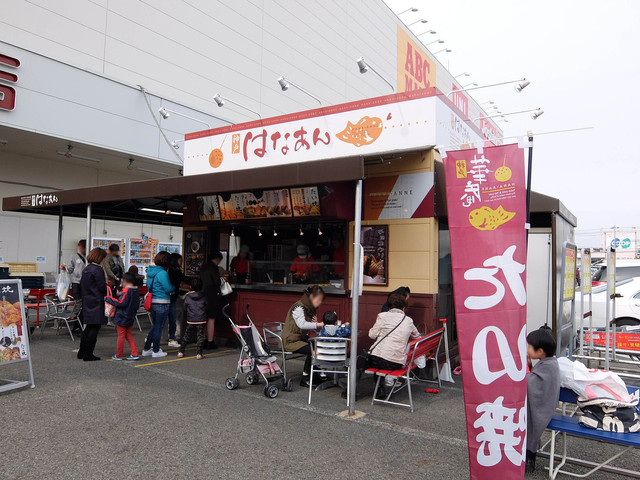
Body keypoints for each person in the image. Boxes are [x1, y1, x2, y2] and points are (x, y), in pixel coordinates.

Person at [368, 293, 422, 394]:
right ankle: (380, 388)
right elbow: (417, 337)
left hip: (377, 360)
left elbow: (372, 335)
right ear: (404, 308)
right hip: (395, 363)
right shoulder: (408, 321)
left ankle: (352, 390)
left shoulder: (382, 316)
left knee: (361, 361)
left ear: (389, 306)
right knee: (381, 358)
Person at [525, 326, 560, 474]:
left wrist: (526, 370)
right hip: (544, 404)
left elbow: (530, 383)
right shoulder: (549, 362)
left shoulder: (548, 366)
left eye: (529, 347)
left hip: (543, 408)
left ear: (540, 351)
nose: (527, 349)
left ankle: (527, 456)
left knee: (526, 418)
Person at [283, 285, 325, 387]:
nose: (320, 302)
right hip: (290, 340)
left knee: (318, 345)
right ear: (311, 297)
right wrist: (318, 324)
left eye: (321, 300)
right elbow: (301, 324)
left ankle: (316, 374)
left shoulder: (309, 308)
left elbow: (311, 328)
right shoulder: (299, 307)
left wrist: (316, 324)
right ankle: (305, 378)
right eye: (318, 299)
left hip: (299, 339)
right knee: (312, 350)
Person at [142, 251, 175, 358]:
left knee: (155, 326)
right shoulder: (163, 273)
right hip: (162, 302)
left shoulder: (151, 271)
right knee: (158, 327)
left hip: (153, 302)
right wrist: (173, 288)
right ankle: (156, 350)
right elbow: (168, 288)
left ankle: (147, 348)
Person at [77, 247, 108, 362]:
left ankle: (82, 351)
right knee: (95, 327)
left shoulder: (87, 269)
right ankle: (88, 353)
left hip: (87, 300)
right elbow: (102, 287)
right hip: (96, 301)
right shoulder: (98, 270)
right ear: (100, 258)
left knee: (88, 327)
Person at [105, 272, 140, 361]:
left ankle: (119, 355)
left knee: (121, 335)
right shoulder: (136, 290)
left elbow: (121, 303)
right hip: (131, 315)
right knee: (128, 334)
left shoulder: (126, 290)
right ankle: (134, 353)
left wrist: (108, 298)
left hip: (122, 316)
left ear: (125, 281)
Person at [178, 278, 207, 360]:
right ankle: (199, 353)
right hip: (201, 318)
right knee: (200, 336)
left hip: (191, 319)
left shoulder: (187, 296)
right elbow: (207, 306)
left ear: (190, 287)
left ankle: (181, 351)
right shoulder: (204, 296)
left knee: (186, 335)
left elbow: (184, 307)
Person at [60, 239, 86, 330]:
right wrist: (64, 268)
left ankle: (81, 323)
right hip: (76, 283)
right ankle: (77, 323)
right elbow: (70, 270)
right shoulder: (74, 256)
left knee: (84, 303)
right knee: (78, 303)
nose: (82, 249)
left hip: (86, 284)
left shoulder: (89, 257)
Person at [200, 251, 223, 350]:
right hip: (212, 295)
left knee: (204, 318)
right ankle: (210, 341)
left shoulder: (203, 267)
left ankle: (203, 340)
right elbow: (217, 282)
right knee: (211, 319)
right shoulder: (214, 268)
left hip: (202, 294)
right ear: (217, 259)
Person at [167, 252, 189, 348]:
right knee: (171, 318)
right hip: (170, 297)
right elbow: (184, 279)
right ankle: (171, 338)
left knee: (164, 320)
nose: (182, 262)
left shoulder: (169, 270)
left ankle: (170, 337)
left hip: (169, 298)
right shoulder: (174, 271)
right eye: (180, 260)